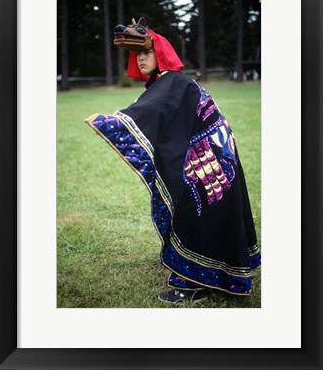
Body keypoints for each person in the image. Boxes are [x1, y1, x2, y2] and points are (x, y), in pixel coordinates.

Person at [85, 17, 261, 304]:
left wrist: (112, 122)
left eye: (146, 53)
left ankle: (192, 283)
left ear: (161, 53)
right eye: (137, 55)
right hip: (212, 154)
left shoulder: (174, 80)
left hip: (210, 159)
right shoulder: (168, 82)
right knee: (200, 213)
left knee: (194, 212)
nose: (141, 59)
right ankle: (208, 272)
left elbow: (148, 111)